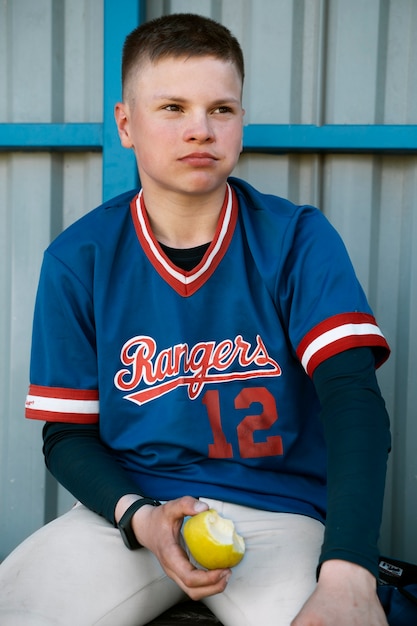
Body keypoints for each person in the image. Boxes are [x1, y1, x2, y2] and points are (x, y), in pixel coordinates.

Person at [0, 12, 391, 626]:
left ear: (240, 122)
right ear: (126, 125)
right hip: (133, 513)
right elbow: (67, 436)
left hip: (278, 513)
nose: (200, 130)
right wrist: (139, 516)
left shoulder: (295, 238)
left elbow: (353, 402)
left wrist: (350, 569)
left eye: (222, 109)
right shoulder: (81, 257)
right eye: (173, 108)